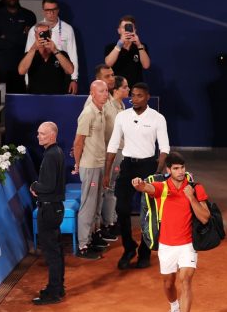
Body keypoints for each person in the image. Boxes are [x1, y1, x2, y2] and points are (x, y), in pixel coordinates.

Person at [131, 152, 210, 312]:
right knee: (168, 283)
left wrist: (191, 198)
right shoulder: (162, 188)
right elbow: (147, 188)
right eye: (176, 168)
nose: (180, 171)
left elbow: (205, 217)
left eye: (182, 168)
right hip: (166, 246)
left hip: (188, 245)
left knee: (186, 281)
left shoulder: (195, 188)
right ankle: (173, 306)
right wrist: (139, 186)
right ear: (168, 170)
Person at [104, 82, 169, 270]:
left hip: (149, 167)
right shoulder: (122, 117)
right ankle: (129, 247)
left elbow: (164, 147)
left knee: (147, 212)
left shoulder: (158, 118)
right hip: (127, 167)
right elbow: (113, 144)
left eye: (139, 95)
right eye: (132, 95)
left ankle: (145, 252)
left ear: (147, 97)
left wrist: (157, 172)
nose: (134, 98)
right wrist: (107, 173)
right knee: (122, 209)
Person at [72, 80, 110, 259]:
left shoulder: (101, 111)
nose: (106, 94)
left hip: (99, 163)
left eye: (107, 91)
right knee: (88, 205)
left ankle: (91, 238)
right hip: (89, 165)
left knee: (96, 204)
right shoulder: (88, 113)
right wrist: (78, 164)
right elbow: (78, 142)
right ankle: (83, 246)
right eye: (101, 91)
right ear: (92, 93)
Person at [31, 122, 66, 305]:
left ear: (52, 135)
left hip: (49, 209)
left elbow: (49, 185)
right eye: (38, 133)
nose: (39, 136)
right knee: (56, 250)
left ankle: (54, 292)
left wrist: (34, 186)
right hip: (55, 207)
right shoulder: (56, 152)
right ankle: (58, 287)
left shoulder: (51, 155)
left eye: (43, 134)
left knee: (52, 251)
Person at [0, 0, 37, 93]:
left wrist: (6, 36)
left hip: (23, 66)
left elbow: (30, 42)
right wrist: (20, 36)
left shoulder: (29, 15)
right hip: (1, 68)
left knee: (22, 100)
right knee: (2, 103)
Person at [25, 0, 80, 94]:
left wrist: (74, 79)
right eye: (47, 10)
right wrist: (26, 81)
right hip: (39, 75)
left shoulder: (67, 29)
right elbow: (28, 55)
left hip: (61, 75)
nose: (51, 13)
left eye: (54, 10)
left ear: (58, 10)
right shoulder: (35, 30)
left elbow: (73, 54)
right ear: (43, 11)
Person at [99, 75, 129, 240]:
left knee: (113, 187)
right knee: (109, 187)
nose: (128, 90)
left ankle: (113, 220)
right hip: (113, 152)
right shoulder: (109, 107)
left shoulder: (121, 105)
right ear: (116, 90)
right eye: (125, 87)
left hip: (120, 151)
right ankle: (108, 224)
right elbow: (108, 135)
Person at [18, 23, 74, 95]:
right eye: (41, 34)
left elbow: (70, 71)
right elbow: (21, 71)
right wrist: (33, 48)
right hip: (35, 98)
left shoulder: (61, 54)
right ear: (35, 35)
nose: (43, 36)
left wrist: (54, 50)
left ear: (50, 34)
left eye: (46, 33)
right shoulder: (30, 54)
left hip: (57, 98)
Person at [103, 15, 150, 87]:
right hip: (117, 89)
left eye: (130, 27)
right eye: (124, 27)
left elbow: (146, 65)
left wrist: (139, 45)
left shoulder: (141, 46)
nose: (127, 30)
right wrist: (120, 44)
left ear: (135, 30)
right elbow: (108, 64)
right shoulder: (111, 47)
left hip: (135, 90)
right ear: (119, 30)